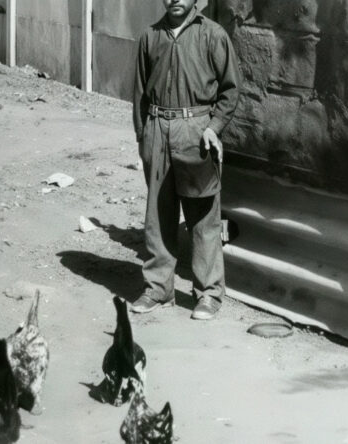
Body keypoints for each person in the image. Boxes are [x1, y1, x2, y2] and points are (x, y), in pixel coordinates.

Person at [130, 0, 240, 320]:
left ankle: (209, 293)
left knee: (202, 214)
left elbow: (230, 90)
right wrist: (144, 137)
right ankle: (158, 288)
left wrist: (214, 128)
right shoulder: (149, 37)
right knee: (158, 213)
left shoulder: (213, 35)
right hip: (157, 128)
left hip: (196, 130)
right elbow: (139, 93)